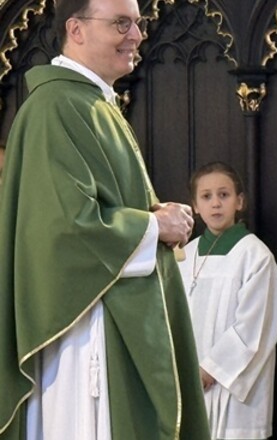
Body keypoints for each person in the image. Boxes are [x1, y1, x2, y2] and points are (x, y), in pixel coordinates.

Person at [0, 0, 210, 438]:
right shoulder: (56, 106)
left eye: (137, 23)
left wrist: (153, 217)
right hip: (82, 332)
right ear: (76, 30)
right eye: (121, 23)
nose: (137, 35)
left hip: (104, 316)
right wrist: (156, 226)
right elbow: (64, 229)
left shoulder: (91, 103)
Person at [177, 162, 277, 440]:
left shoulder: (255, 256)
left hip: (232, 388)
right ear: (195, 206)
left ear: (240, 201)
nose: (215, 203)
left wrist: (209, 371)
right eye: (206, 196)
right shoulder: (183, 256)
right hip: (188, 382)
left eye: (223, 195)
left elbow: (255, 327)